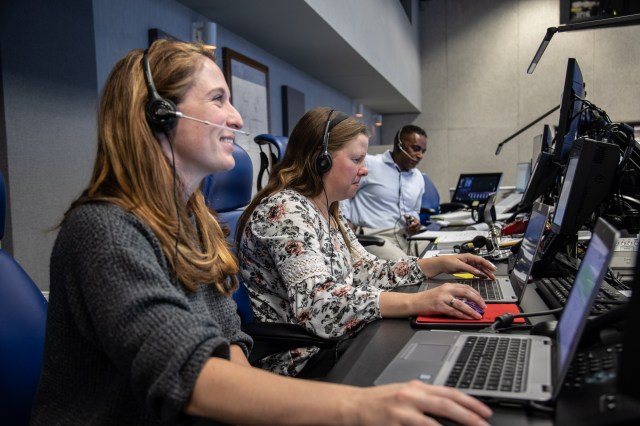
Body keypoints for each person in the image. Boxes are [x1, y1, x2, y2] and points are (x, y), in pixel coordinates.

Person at [29, 40, 493, 426]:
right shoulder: (105, 230)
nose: (237, 119)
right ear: (159, 114)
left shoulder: (191, 222)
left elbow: (228, 336)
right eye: (217, 99)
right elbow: (186, 371)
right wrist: (359, 406)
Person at [236, 107, 497, 378]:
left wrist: (437, 264)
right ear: (320, 160)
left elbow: (366, 270)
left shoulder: (326, 208)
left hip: (338, 340)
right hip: (303, 359)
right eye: (357, 159)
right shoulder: (285, 211)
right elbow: (318, 306)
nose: (364, 171)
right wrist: (418, 302)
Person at [341, 124, 429, 260]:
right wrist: (345, 222)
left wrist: (414, 220)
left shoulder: (418, 177)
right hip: (375, 236)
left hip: (406, 236)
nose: (420, 156)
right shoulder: (370, 164)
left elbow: (413, 210)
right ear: (399, 145)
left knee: (437, 251)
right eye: (416, 149)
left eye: (423, 151)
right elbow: (343, 194)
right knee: (404, 265)